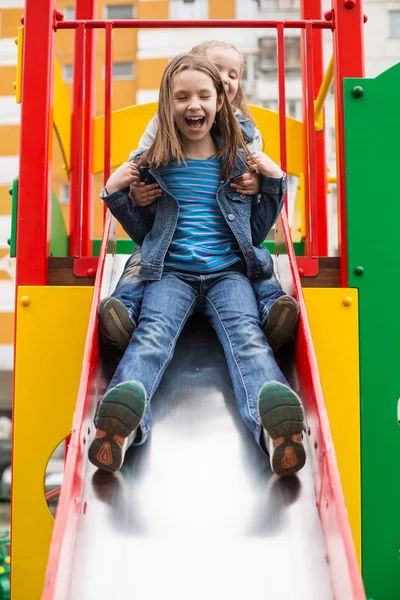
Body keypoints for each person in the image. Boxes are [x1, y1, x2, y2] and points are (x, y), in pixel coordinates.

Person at [89, 53, 306, 478]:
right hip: (171, 274)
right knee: (152, 335)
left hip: (229, 275)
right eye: (182, 97)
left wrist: (275, 183)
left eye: (204, 95)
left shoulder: (238, 162)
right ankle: (120, 429)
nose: (194, 105)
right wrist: (117, 195)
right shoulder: (155, 165)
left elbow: (258, 230)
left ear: (220, 102)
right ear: (167, 106)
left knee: (247, 338)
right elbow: (144, 232)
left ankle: (276, 433)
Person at [98, 41, 298, 355]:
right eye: (218, 71)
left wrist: (259, 182)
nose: (226, 79)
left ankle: (271, 312)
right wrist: (134, 190)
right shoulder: (165, 122)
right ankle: (125, 313)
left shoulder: (244, 130)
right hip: (171, 240)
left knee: (253, 261)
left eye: (234, 74)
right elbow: (142, 160)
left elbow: (256, 161)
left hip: (226, 244)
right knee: (144, 258)